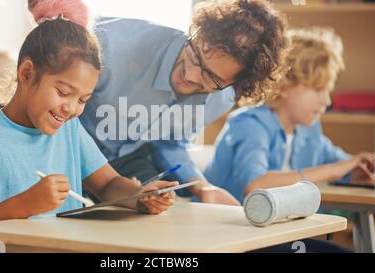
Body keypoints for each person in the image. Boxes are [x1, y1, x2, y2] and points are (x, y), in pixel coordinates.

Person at [0, 1, 177, 253]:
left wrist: (139, 196)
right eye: (63, 92)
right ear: (26, 74)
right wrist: (23, 205)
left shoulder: (68, 129)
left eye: (83, 99)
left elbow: (107, 184)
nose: (71, 108)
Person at [28, 0, 289, 205]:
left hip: (129, 160)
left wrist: (202, 187)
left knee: (162, 215)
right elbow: (50, 109)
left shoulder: (222, 97)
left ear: (235, 83)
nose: (191, 75)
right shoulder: (109, 46)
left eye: (211, 77)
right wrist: (112, 182)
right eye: (196, 54)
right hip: (68, 149)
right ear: (197, 33)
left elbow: (169, 142)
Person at [205, 27, 375, 204]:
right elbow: (255, 186)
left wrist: (357, 172)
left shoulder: (308, 130)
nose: (327, 101)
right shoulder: (250, 125)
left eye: (328, 91)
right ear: (284, 84)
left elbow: (343, 165)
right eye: (318, 90)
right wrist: (333, 170)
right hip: (224, 226)